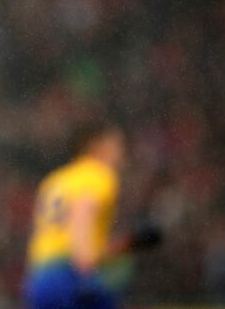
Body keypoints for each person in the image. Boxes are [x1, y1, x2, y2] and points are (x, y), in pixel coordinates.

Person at [23, 121, 161, 309]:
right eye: (116, 144)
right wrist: (85, 273)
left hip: (40, 279)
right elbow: (81, 221)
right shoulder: (98, 174)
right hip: (70, 277)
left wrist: (128, 244)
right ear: (97, 146)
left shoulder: (55, 180)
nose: (122, 152)